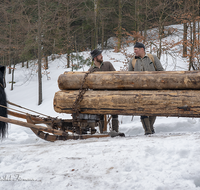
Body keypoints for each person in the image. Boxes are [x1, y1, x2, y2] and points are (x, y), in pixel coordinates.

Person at [128, 42, 164, 135]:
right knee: (142, 109)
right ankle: (147, 130)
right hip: (139, 90)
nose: (134, 52)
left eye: (136, 50)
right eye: (134, 50)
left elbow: (161, 71)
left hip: (153, 89)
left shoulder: (153, 58)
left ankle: (151, 127)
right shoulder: (132, 61)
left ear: (142, 49)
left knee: (154, 108)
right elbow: (128, 76)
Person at [89, 49, 119, 133]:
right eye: (99, 55)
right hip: (99, 95)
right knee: (100, 113)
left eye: (101, 54)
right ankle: (102, 132)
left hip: (110, 93)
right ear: (95, 58)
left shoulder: (108, 65)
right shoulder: (91, 70)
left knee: (114, 112)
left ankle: (115, 131)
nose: (102, 56)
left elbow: (115, 76)